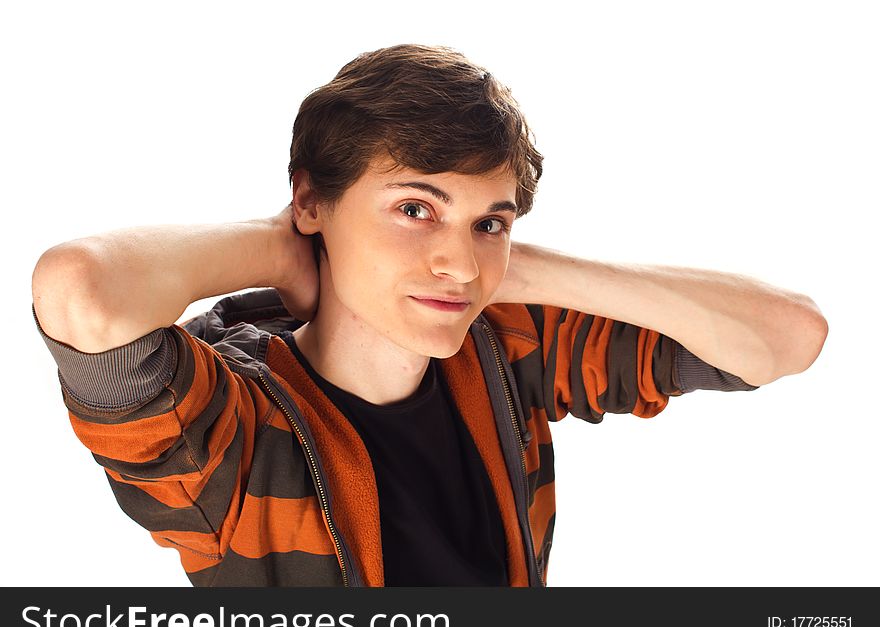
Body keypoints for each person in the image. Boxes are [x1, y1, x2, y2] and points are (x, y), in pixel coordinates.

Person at [30, 44, 828, 587]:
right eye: (416, 207)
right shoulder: (231, 428)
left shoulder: (507, 345)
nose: (460, 262)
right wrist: (278, 249)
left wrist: (520, 264)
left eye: (491, 220)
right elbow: (77, 289)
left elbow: (788, 335)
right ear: (310, 197)